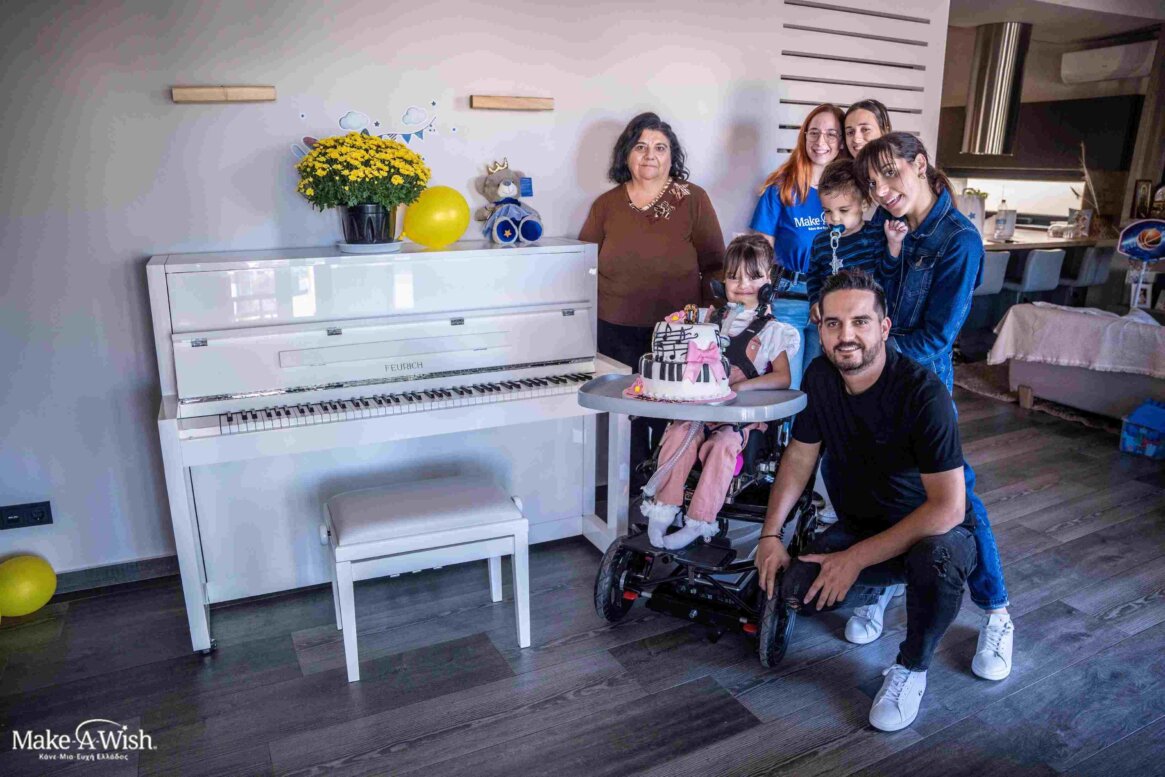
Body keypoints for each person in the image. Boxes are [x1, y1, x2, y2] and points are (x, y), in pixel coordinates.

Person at [756, 269, 978, 732]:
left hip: (930, 536)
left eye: (860, 321)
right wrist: (770, 535)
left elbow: (949, 508)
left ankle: (911, 667)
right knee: (797, 591)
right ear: (819, 328)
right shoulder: (821, 376)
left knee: (937, 563)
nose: (846, 335)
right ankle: (879, 590)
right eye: (833, 323)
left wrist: (854, 560)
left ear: (884, 327)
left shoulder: (923, 394)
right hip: (862, 526)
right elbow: (800, 456)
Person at [853, 132, 1014, 681]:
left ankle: (996, 611)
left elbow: (936, 338)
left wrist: (867, 350)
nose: (882, 191)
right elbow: (881, 297)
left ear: (919, 164)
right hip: (881, 380)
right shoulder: (892, 224)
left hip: (923, 388)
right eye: (873, 184)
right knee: (888, 487)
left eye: (890, 174)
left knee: (957, 497)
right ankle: (881, 586)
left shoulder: (959, 240)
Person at [580, 112, 725, 476]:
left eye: (660, 148)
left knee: (670, 419)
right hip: (615, 330)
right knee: (624, 418)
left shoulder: (691, 198)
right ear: (626, 154)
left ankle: (664, 491)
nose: (650, 155)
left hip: (676, 333)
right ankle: (627, 493)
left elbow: (715, 264)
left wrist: (711, 320)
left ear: (671, 156)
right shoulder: (606, 205)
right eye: (641, 146)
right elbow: (583, 266)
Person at [640, 235, 800, 549]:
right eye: (734, 276)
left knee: (722, 444)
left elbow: (783, 378)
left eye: (753, 276)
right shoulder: (706, 319)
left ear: (769, 281)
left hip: (739, 419)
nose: (743, 284)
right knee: (678, 434)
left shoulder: (774, 331)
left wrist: (740, 386)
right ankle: (663, 509)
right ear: (722, 281)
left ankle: (699, 521)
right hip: (701, 411)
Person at [750, 103, 847, 386]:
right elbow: (759, 254)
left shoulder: (851, 193)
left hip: (832, 301)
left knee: (820, 387)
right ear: (803, 137)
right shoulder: (780, 188)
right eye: (813, 132)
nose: (820, 141)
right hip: (787, 298)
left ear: (842, 141)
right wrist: (758, 303)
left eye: (831, 134)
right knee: (789, 388)